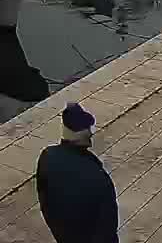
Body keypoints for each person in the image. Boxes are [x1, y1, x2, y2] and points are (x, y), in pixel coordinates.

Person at [37, 103, 116, 243]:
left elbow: (45, 203)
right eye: (87, 129)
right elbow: (107, 225)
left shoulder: (47, 157)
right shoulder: (96, 175)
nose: (91, 133)